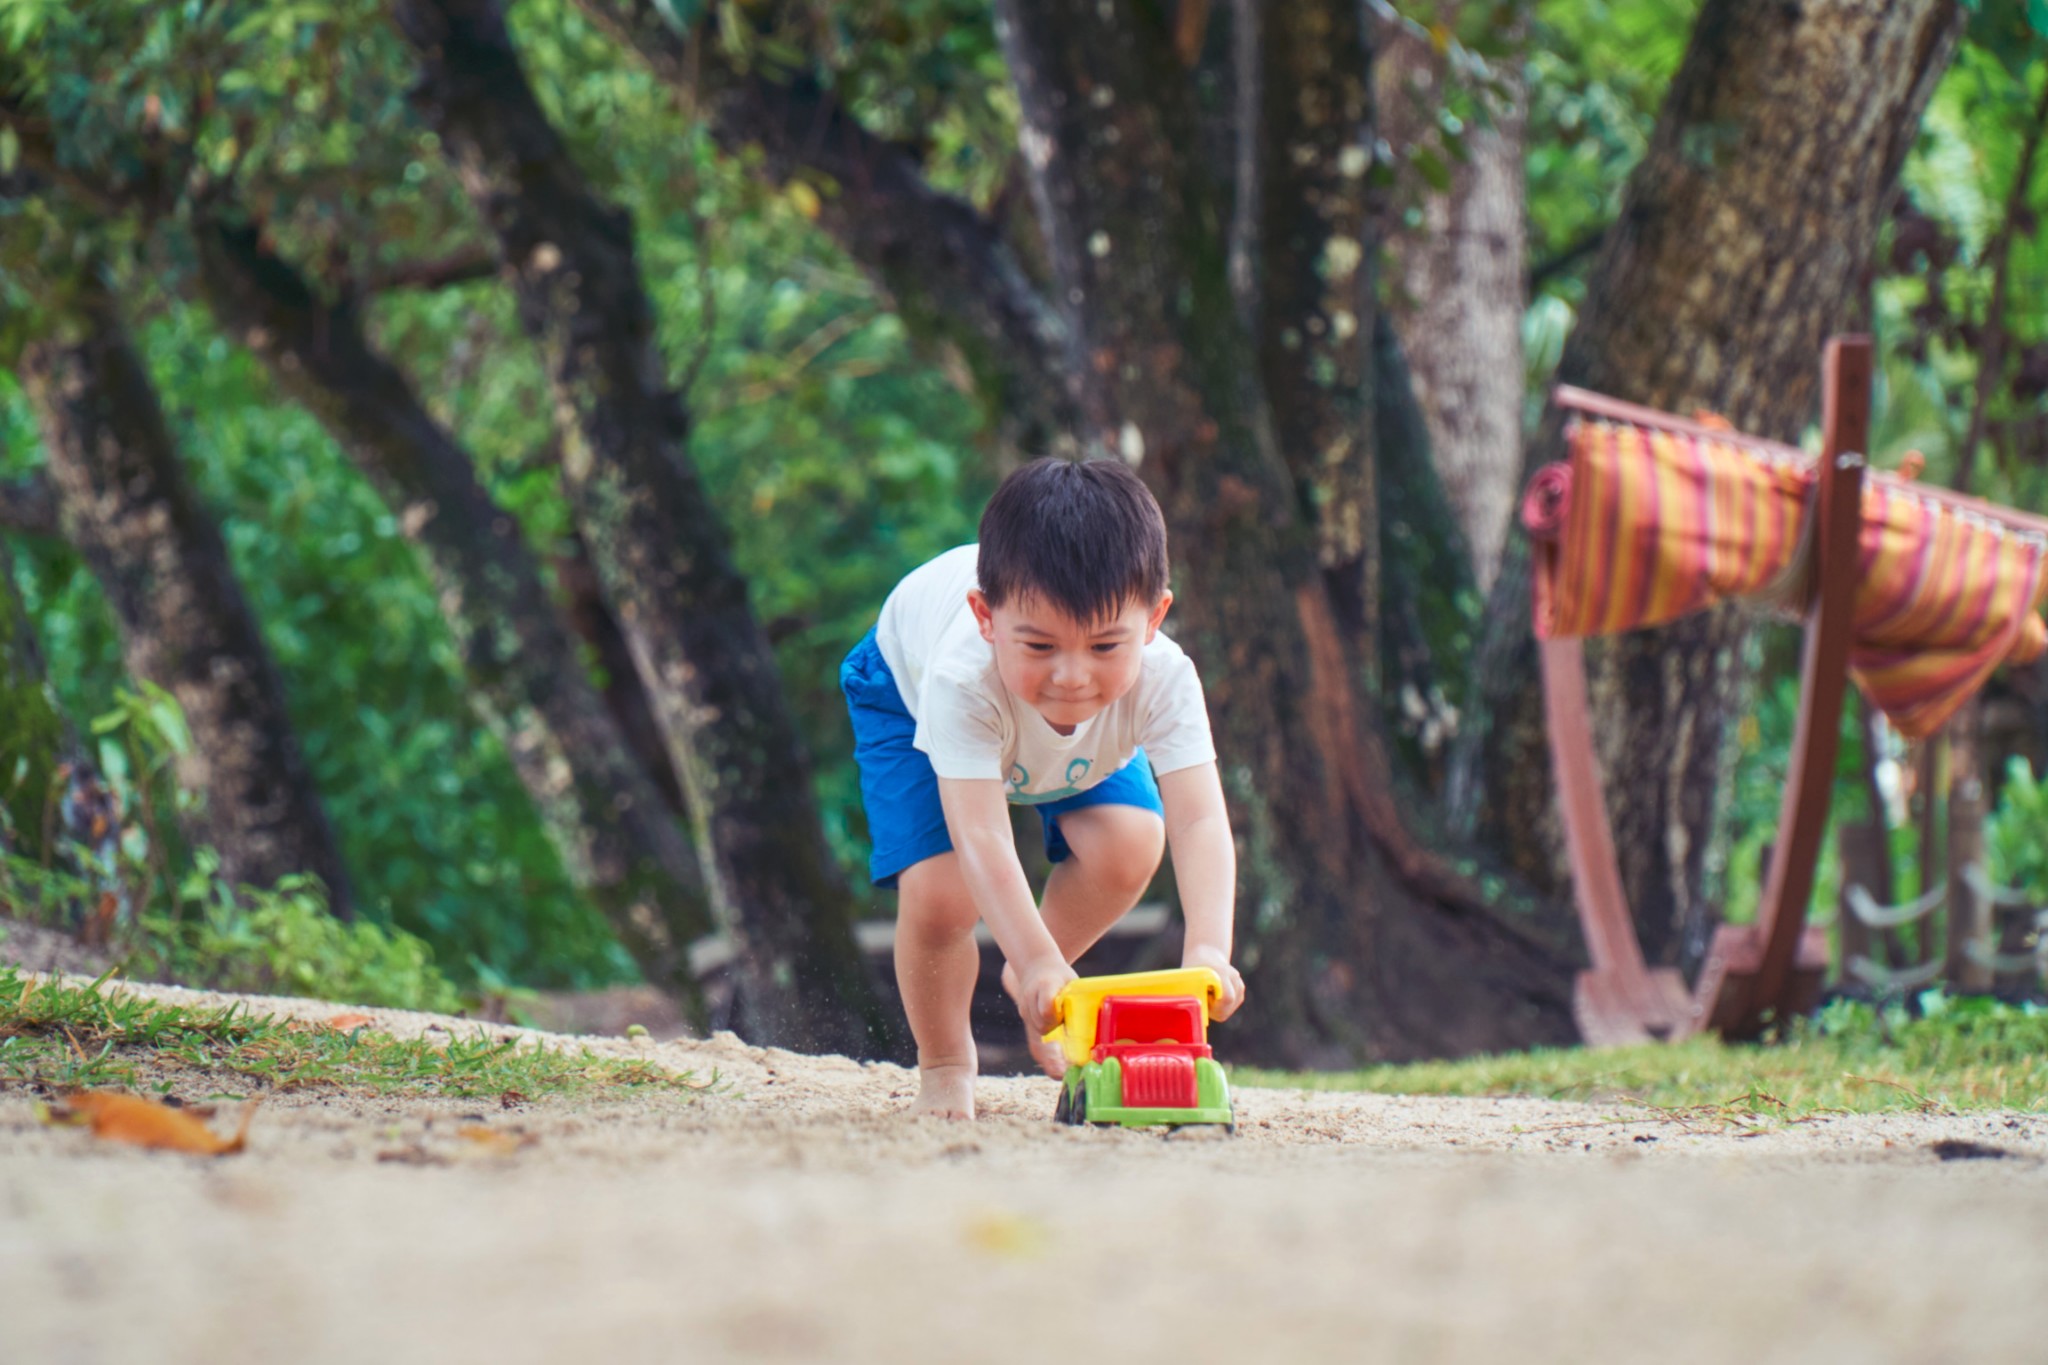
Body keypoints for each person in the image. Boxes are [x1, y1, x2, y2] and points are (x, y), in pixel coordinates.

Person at [840, 457, 1245, 1119]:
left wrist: (1207, 947)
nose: (1072, 677)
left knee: (1130, 843)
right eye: (1040, 646)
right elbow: (982, 834)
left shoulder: (1165, 677)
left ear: (1153, 618)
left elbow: (1198, 820)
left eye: (1106, 646)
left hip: (1069, 745)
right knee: (943, 893)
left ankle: (1039, 965)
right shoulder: (959, 680)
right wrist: (1034, 959)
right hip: (903, 691)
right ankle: (946, 1062)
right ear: (986, 616)